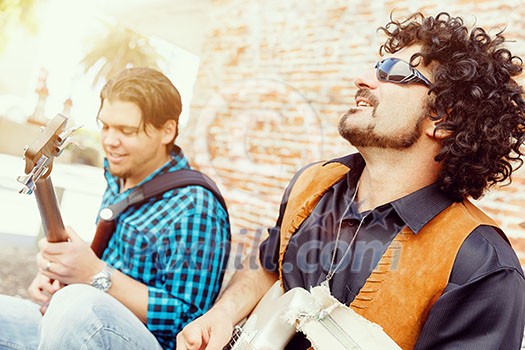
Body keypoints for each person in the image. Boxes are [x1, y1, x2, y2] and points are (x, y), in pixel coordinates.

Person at [177, 12, 525, 350]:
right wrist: (222, 315)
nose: (363, 79)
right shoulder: (314, 183)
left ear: (444, 120)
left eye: (395, 72)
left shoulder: (483, 268)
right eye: (377, 67)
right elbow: (270, 268)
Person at [0, 67, 230, 350]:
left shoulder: (196, 208)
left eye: (127, 131)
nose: (109, 140)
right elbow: (112, 262)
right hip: (83, 326)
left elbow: (191, 320)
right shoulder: (121, 173)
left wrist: (96, 276)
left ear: (167, 131)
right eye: (105, 126)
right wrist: (66, 269)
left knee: (77, 307)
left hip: (149, 341)